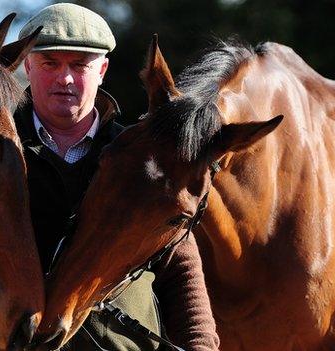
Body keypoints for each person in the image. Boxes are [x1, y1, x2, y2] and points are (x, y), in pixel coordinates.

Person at [14, 3, 220, 350]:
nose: (65, 78)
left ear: (102, 70)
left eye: (80, 65)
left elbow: (180, 269)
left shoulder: (144, 162)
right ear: (27, 65)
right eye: (50, 63)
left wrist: (199, 345)